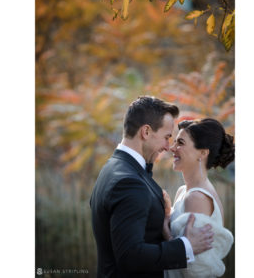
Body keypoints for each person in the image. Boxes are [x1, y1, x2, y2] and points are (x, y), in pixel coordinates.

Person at [90, 96, 214, 278]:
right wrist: (186, 246)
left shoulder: (112, 168)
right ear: (146, 132)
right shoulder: (129, 182)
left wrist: (164, 227)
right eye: (166, 137)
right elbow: (130, 256)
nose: (167, 147)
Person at [163, 118, 235, 278]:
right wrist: (168, 214)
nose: (173, 148)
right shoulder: (184, 192)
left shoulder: (197, 198)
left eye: (180, 143)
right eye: (174, 141)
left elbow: (195, 269)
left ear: (202, 153)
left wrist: (166, 232)